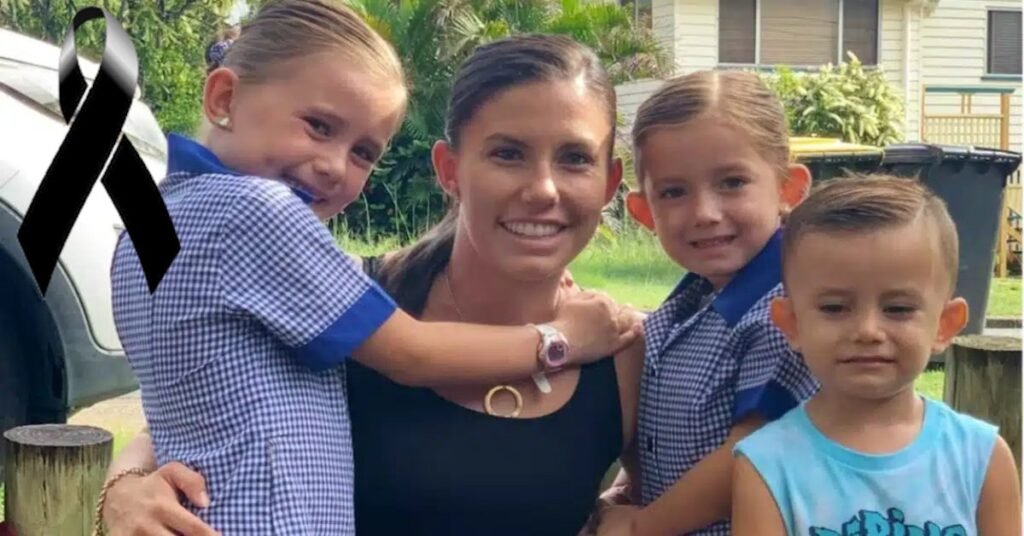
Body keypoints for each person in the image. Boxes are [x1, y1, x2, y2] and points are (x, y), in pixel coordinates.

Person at [106, 2, 638, 534]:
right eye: (508, 154)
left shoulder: (629, 353)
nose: (543, 189)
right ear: (449, 170)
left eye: (575, 158)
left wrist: (625, 516)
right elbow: (196, 404)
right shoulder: (350, 285)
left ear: (611, 184)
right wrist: (124, 488)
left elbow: (665, 492)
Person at [593, 70, 821, 535]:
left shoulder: (788, 313)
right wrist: (629, 487)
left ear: (788, 188)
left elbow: (750, 455)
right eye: (674, 192)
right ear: (644, 211)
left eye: (732, 182)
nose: (704, 213)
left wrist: (640, 527)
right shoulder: (691, 301)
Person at [731, 175, 1022, 536]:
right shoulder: (766, 465)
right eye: (835, 308)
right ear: (791, 324)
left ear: (944, 324)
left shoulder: (981, 457)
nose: (867, 330)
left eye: (898, 309)